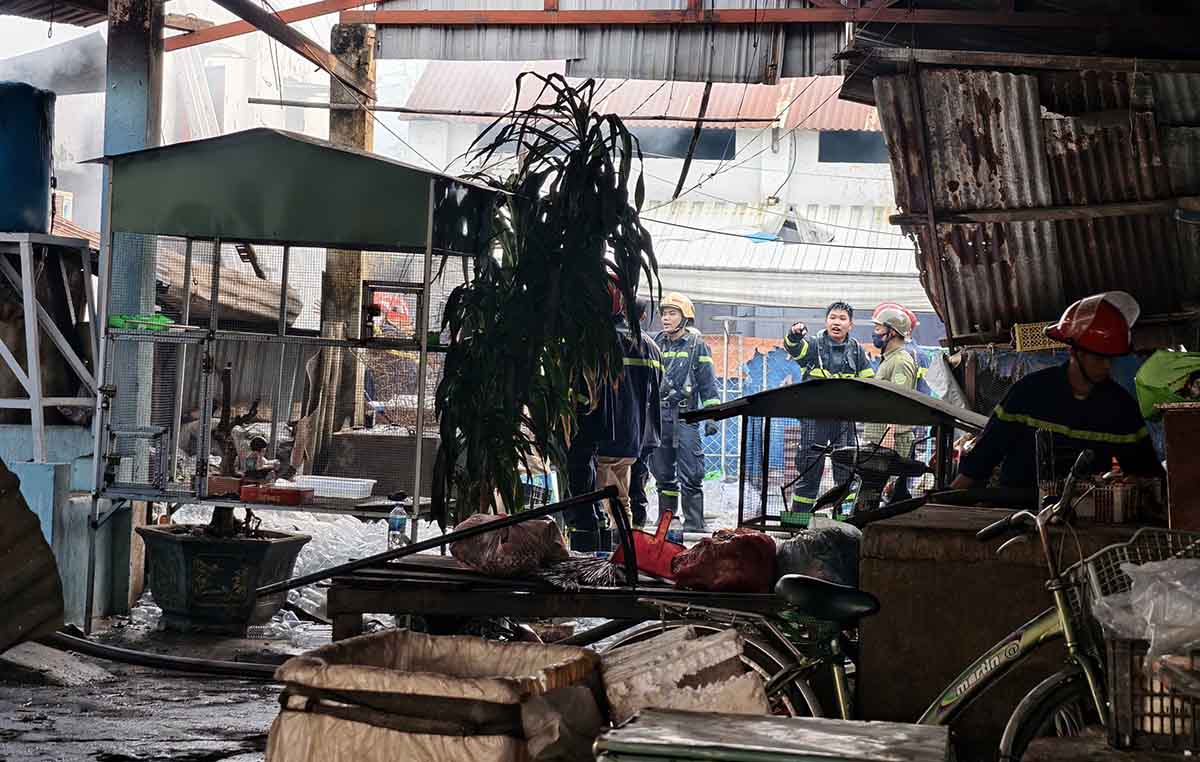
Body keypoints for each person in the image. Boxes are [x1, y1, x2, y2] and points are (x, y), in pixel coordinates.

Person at [952, 291, 1163, 490]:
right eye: (1099, 358)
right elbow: (984, 456)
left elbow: (1147, 473)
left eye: (1111, 359)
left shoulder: (1121, 407)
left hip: (1086, 521)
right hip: (1019, 517)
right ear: (1074, 351)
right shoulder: (1029, 392)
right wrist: (945, 504)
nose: (1107, 366)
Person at [784, 301, 874, 515]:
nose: (837, 322)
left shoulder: (857, 351)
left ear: (850, 325)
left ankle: (842, 524)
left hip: (844, 422)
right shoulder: (814, 345)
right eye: (833, 317)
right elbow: (795, 349)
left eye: (842, 319)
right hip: (814, 420)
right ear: (826, 321)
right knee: (809, 471)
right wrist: (795, 335)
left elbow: (868, 383)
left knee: (845, 473)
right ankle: (797, 524)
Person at [650, 292, 720, 532]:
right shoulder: (655, 343)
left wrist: (711, 416)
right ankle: (666, 524)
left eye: (672, 313)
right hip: (660, 419)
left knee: (691, 473)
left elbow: (708, 383)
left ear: (685, 317)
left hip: (686, 417)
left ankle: (694, 526)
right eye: (663, 313)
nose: (666, 318)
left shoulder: (697, 345)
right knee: (662, 473)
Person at [595, 285, 663, 530]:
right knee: (629, 492)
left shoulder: (604, 342)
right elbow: (658, 388)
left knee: (602, 494)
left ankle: (611, 538)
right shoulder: (653, 348)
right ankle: (631, 537)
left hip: (605, 431)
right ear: (643, 316)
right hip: (639, 434)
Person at [864, 304, 918, 458]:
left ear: (892, 332)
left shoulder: (901, 361)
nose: (875, 333)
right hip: (879, 438)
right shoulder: (889, 359)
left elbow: (898, 400)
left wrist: (888, 435)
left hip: (891, 441)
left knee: (887, 481)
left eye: (878, 329)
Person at [628, 297, 659, 528]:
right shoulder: (654, 348)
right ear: (643, 317)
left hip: (622, 427)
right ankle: (637, 527)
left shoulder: (616, 343)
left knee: (616, 480)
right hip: (647, 428)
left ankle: (624, 531)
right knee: (638, 479)